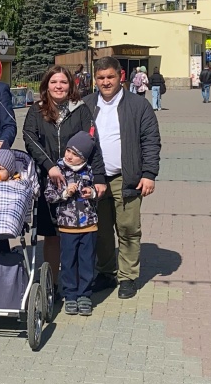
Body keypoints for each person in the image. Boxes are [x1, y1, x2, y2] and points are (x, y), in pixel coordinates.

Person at [90, 57, 160, 300]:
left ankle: (128, 276)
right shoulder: (87, 104)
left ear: (120, 76)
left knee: (128, 228)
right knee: (100, 230)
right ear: (95, 79)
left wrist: (149, 174)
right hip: (96, 179)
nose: (106, 82)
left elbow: (151, 141)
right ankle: (106, 271)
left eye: (110, 77)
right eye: (101, 78)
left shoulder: (137, 105)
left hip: (127, 178)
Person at [23, 66, 96, 292]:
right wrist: (50, 166)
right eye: (54, 82)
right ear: (46, 85)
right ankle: (51, 284)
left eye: (63, 82)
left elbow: (91, 140)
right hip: (49, 180)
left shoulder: (81, 109)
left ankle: (75, 287)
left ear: (70, 85)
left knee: (77, 235)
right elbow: (29, 138)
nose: (58, 86)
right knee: (52, 235)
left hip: (78, 179)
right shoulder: (37, 110)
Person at [45, 131, 104, 317]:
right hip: (67, 226)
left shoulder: (90, 171)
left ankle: (84, 295)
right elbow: (49, 195)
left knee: (86, 261)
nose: (69, 155)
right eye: (68, 150)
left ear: (84, 157)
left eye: (75, 154)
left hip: (89, 225)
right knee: (68, 262)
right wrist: (64, 194)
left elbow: (99, 192)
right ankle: (70, 295)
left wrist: (92, 193)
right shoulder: (58, 170)